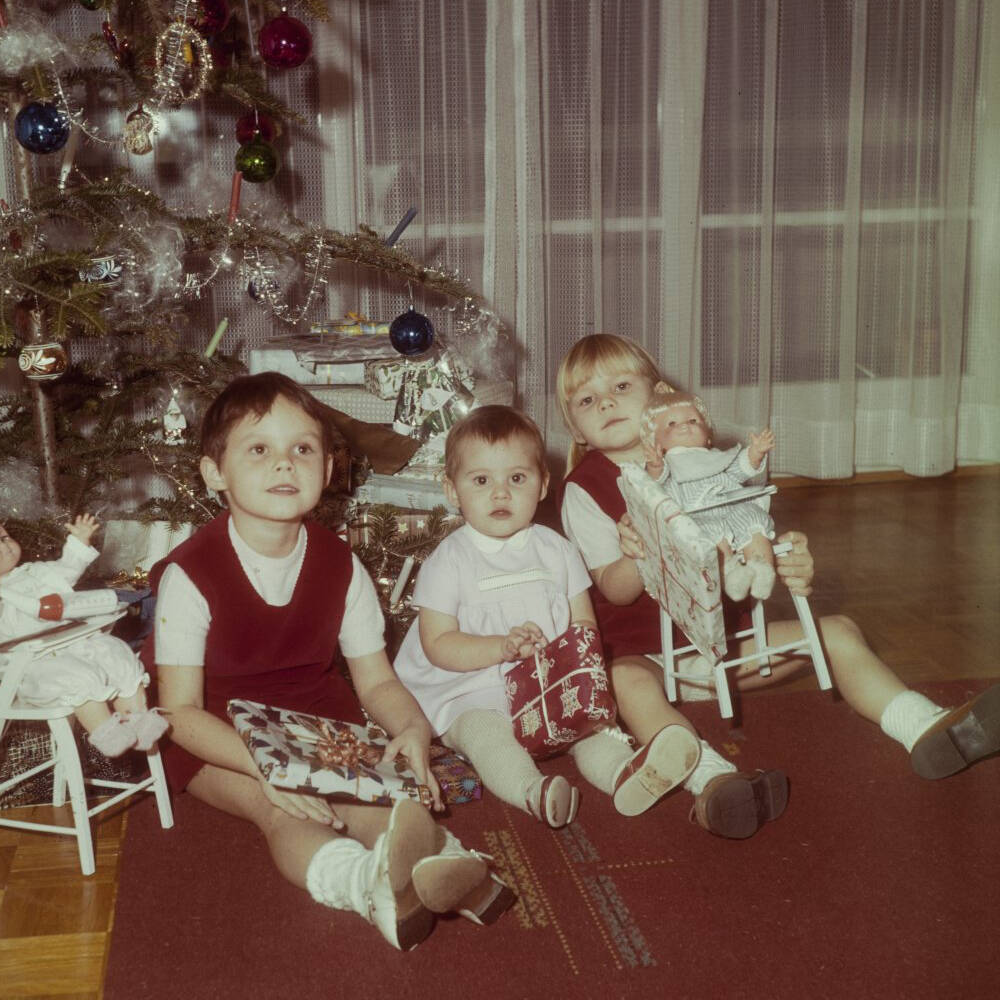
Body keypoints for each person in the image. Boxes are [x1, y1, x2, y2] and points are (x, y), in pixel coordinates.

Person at [557, 333, 1000, 838]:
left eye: (619, 386)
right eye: (587, 400)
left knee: (839, 631)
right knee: (624, 680)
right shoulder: (586, 488)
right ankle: (713, 783)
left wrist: (792, 564)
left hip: (726, 649)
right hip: (656, 660)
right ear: (577, 428)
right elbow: (613, 590)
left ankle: (924, 727)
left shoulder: (712, 466)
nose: (607, 403)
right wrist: (640, 552)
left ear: (659, 397)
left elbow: (754, 544)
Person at [142, 372, 514, 951]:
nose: (284, 464)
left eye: (303, 449)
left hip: (313, 715)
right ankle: (365, 886)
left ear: (328, 468)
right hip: (216, 732)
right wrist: (269, 767)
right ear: (215, 472)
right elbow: (181, 711)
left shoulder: (342, 566)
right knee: (287, 810)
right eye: (259, 449)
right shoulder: (190, 574)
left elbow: (375, 679)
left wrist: (412, 729)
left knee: (374, 799)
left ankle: (444, 867)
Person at [393, 405, 701, 829]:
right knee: (488, 734)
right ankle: (531, 790)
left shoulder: (556, 549)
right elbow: (439, 644)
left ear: (542, 486)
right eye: (481, 480)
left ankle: (626, 774)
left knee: (592, 728)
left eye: (516, 478)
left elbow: (583, 624)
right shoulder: (450, 561)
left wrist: (576, 678)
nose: (500, 493)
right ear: (452, 490)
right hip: (470, 687)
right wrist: (500, 648)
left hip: (548, 680)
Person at [0, 514, 167, 756]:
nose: (4, 545)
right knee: (80, 676)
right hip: (34, 664)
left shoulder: (35, 572)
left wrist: (79, 542)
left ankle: (139, 721)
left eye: (5, 537)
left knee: (116, 652)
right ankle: (106, 732)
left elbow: (67, 568)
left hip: (77, 643)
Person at [640, 384, 778, 601]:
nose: (684, 426)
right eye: (672, 423)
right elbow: (655, 485)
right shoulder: (667, 464)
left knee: (753, 520)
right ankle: (731, 574)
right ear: (656, 443)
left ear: (708, 435)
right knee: (710, 536)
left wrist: (755, 453)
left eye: (693, 420)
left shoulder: (716, 457)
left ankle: (762, 570)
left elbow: (737, 471)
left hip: (732, 507)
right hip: (697, 515)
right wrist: (655, 465)